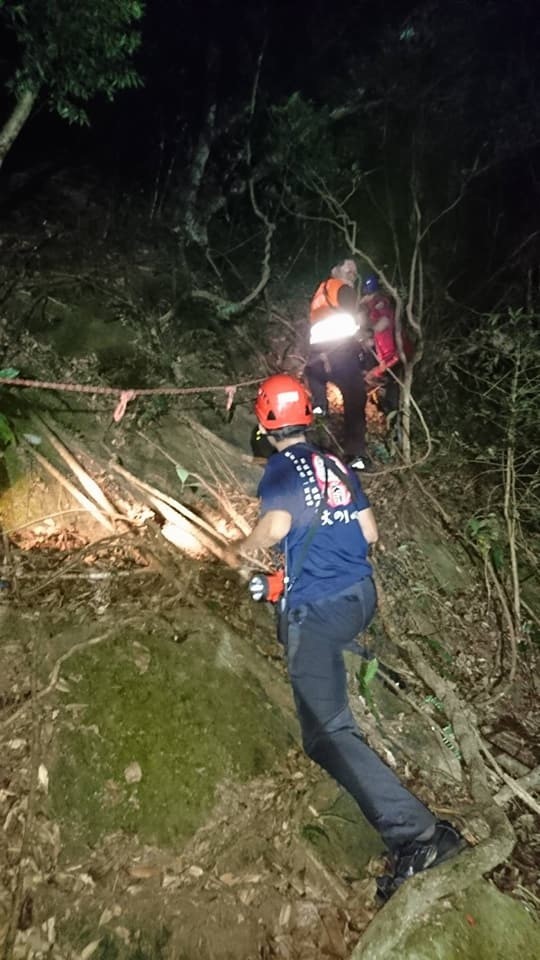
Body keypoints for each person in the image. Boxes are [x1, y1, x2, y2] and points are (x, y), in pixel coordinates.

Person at [233, 374, 467, 900]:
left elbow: (273, 528)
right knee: (290, 614)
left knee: (325, 733)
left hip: (320, 610)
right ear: (308, 415)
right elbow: (368, 533)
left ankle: (421, 838)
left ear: (265, 420)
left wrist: (241, 547)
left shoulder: (279, 467)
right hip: (360, 598)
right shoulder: (334, 463)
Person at [305, 259, 370, 471]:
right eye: (348, 269)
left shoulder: (320, 292)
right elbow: (356, 319)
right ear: (336, 270)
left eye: (355, 271)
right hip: (339, 352)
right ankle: (355, 454)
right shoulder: (342, 289)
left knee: (313, 374)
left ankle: (319, 406)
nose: (352, 273)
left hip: (317, 355)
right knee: (356, 396)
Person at [360, 274, 411, 418]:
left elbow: (384, 323)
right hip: (388, 354)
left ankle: (395, 424)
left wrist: (367, 329)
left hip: (395, 354)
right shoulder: (373, 305)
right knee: (384, 383)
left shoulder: (381, 302)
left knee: (393, 391)